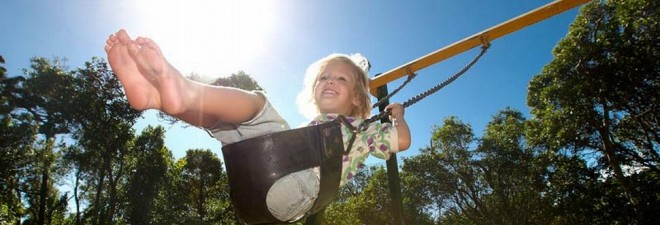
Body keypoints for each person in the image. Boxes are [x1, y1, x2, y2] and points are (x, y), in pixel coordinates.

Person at [105, 29, 411, 222]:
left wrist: (398, 116)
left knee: (258, 107)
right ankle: (159, 99)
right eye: (323, 77)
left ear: (358, 98)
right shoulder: (315, 128)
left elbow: (402, 141)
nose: (329, 81)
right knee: (232, 128)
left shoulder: (364, 128)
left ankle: (183, 91)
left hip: (298, 188)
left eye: (340, 78)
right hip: (262, 196)